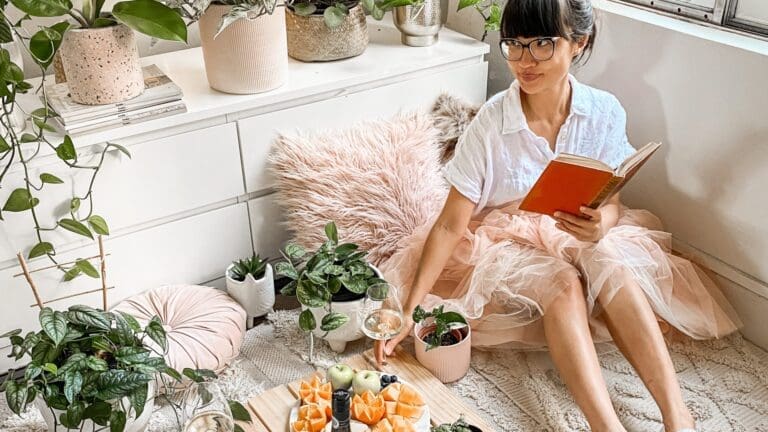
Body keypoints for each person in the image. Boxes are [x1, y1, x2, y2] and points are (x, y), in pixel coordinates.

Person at [374, 1, 742, 431]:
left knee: (609, 262)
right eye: (514, 44)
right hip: (502, 237)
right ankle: (606, 427)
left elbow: (612, 200)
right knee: (563, 283)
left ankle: (678, 415)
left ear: (578, 43)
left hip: (570, 226)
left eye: (542, 44)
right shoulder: (492, 123)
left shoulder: (603, 111)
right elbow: (449, 224)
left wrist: (602, 225)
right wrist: (409, 310)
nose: (524, 61)